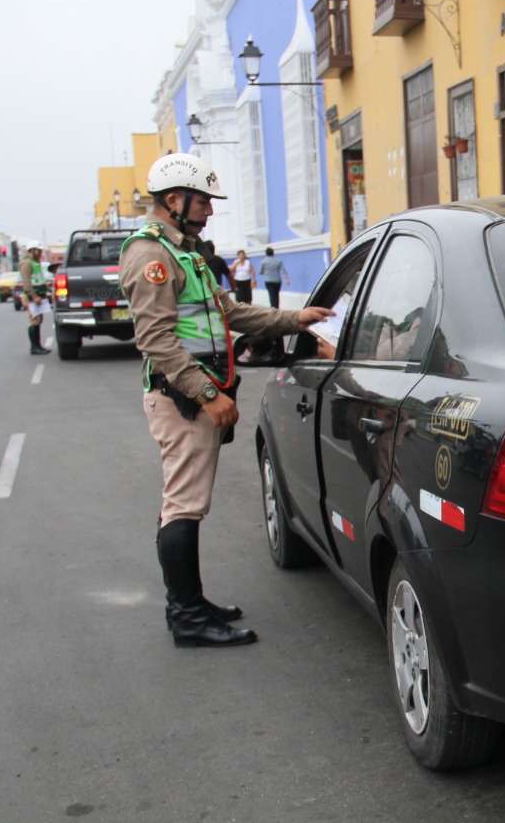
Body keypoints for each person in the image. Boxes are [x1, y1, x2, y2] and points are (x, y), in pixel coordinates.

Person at [119, 152, 334, 649]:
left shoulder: (185, 253)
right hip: (182, 399)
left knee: (184, 504)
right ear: (174, 200)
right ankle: (188, 617)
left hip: (192, 396)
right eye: (202, 201)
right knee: (183, 506)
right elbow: (156, 340)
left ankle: (191, 604)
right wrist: (208, 393)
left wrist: (294, 319)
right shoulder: (151, 255)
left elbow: (230, 312)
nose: (210, 210)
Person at [19, 241, 52, 355]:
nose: (40, 253)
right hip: (32, 296)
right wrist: (33, 296)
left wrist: (47, 289)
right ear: (32, 251)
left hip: (38, 295)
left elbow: (38, 280)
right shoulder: (27, 264)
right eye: (39, 251)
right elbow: (27, 282)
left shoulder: (35, 263)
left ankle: (37, 346)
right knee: (34, 321)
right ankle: (34, 347)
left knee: (38, 320)